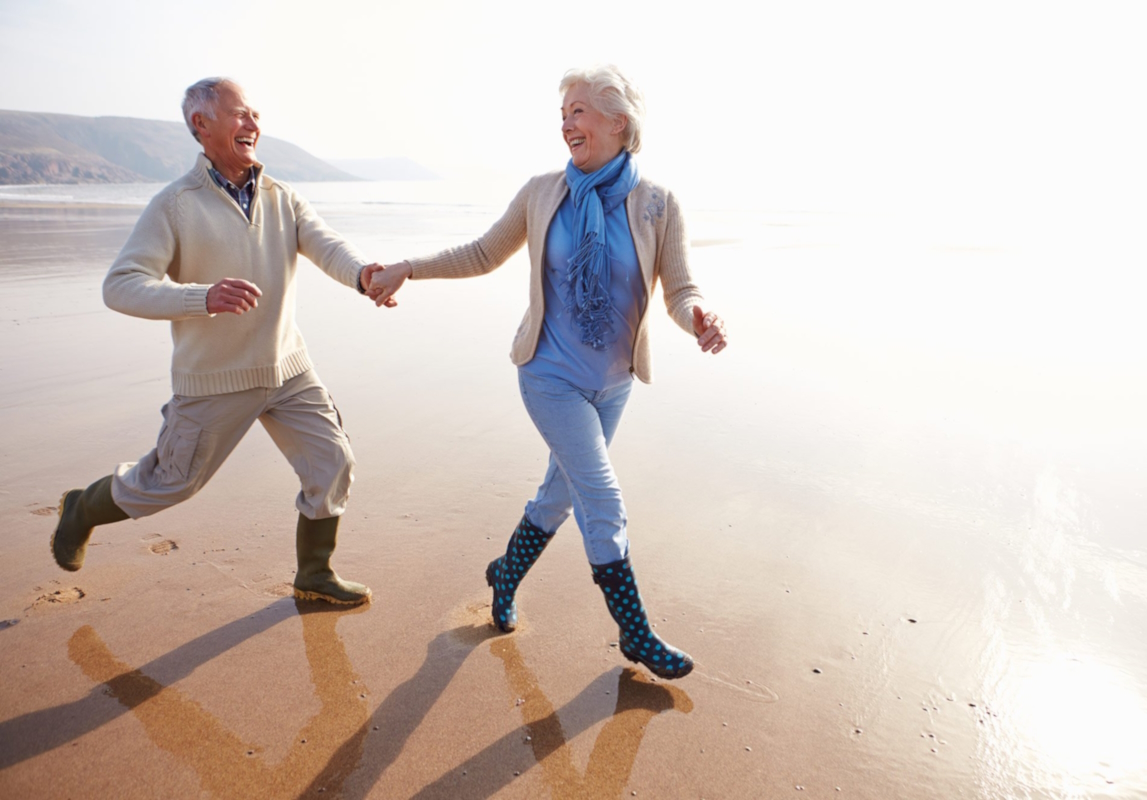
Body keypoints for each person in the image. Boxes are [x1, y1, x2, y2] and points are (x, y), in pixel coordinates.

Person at [365, 65, 728, 678]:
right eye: (563, 114)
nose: (566, 124)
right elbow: (481, 254)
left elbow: (679, 289)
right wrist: (409, 265)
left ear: (620, 123)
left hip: (613, 385)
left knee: (559, 496)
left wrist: (699, 320)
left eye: (579, 111)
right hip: (548, 374)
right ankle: (635, 634)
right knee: (602, 498)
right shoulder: (542, 193)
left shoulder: (657, 205)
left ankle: (504, 576)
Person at [51, 77, 393, 606]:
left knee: (333, 461)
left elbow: (327, 245)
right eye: (240, 114)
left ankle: (315, 573)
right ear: (201, 126)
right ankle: (81, 509)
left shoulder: (283, 197)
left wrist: (362, 274)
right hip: (214, 378)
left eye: (256, 115)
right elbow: (119, 286)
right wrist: (200, 298)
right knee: (170, 483)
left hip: (288, 370)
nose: (253, 125)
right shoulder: (175, 205)